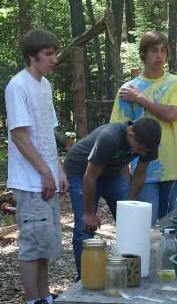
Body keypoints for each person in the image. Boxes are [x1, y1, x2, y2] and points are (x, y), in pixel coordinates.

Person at [5, 28, 68, 304]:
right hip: (30, 182)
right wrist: (44, 172)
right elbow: (19, 136)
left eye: (55, 53)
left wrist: (59, 170)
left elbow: (46, 134)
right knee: (32, 245)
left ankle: (45, 299)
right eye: (48, 54)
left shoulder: (44, 86)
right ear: (32, 56)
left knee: (46, 242)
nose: (54, 59)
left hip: (47, 180)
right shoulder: (18, 86)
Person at [63, 118, 162, 276]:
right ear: (130, 135)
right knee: (85, 227)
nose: (143, 154)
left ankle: (129, 272)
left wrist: (129, 205)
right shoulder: (110, 137)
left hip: (111, 173)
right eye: (140, 149)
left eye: (146, 151)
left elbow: (140, 174)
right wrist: (89, 214)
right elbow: (90, 176)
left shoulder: (149, 143)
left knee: (130, 220)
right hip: (80, 170)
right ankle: (85, 278)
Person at [111, 31, 177, 224]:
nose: (159, 56)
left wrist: (140, 99)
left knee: (171, 230)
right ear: (144, 54)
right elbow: (118, 135)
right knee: (145, 229)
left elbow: (171, 115)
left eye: (163, 51)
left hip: (172, 170)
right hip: (143, 173)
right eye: (154, 50)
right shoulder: (127, 90)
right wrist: (126, 175)